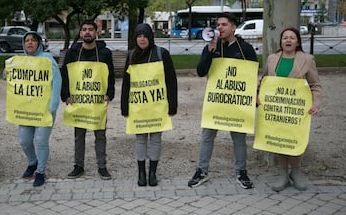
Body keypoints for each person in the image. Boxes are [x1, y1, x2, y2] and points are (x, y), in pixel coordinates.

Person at [188, 12, 257, 189]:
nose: (219, 27)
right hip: (216, 100)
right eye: (218, 25)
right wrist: (209, 52)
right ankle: (201, 171)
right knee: (207, 137)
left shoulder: (245, 49)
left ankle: (241, 172)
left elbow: (251, 75)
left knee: (239, 138)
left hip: (236, 102)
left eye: (224, 24)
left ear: (233, 27)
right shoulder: (212, 47)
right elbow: (201, 71)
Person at [260, 27, 322, 191]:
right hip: (276, 109)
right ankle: (283, 174)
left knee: (295, 139)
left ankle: (296, 172)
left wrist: (315, 103)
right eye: (285, 37)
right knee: (279, 140)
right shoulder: (272, 59)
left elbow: (315, 84)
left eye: (292, 38)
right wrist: (258, 96)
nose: (288, 40)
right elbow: (264, 80)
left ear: (298, 42)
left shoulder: (307, 60)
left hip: (297, 109)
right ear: (280, 41)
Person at [121, 23, 178, 186]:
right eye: (139, 36)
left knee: (155, 139)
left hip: (157, 105)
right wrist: (124, 107)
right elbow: (126, 83)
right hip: (138, 107)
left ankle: (153, 172)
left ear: (150, 37)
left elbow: (171, 81)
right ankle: (141, 173)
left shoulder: (162, 54)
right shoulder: (132, 56)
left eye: (145, 35)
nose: (142, 39)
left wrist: (172, 104)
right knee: (140, 139)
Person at [61, 20, 115, 180]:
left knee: (100, 134)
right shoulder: (73, 53)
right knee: (79, 135)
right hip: (78, 101)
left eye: (90, 29)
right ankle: (78, 165)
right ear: (80, 33)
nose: (87, 32)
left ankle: (102, 166)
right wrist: (66, 95)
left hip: (98, 101)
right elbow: (65, 74)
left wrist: (109, 94)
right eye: (84, 29)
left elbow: (110, 75)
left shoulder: (104, 53)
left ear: (96, 32)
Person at [7, 32, 62, 187]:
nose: (30, 43)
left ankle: (40, 171)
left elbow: (57, 80)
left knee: (41, 140)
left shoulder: (47, 59)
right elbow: (13, 79)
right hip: (26, 109)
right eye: (27, 40)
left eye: (33, 40)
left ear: (39, 43)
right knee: (24, 141)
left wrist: (54, 104)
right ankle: (32, 162)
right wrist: (7, 74)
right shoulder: (19, 61)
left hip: (44, 109)